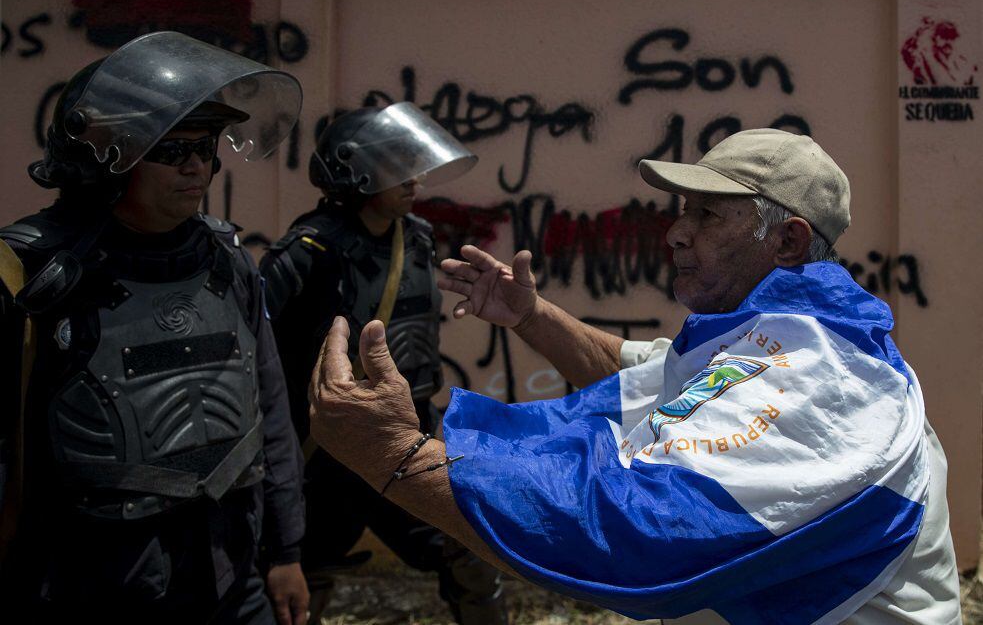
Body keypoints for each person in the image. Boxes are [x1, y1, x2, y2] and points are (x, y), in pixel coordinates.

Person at [307, 129, 962, 624]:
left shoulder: (814, 380)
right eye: (682, 210)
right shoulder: (774, 339)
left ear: (786, 242)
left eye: (706, 214)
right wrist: (531, 316)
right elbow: (649, 377)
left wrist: (393, 455)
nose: (675, 232)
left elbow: (626, 532)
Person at [0, 31, 309, 625]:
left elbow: (270, 409)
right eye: (171, 149)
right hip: (92, 586)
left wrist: (287, 550)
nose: (197, 166)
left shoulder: (227, 260)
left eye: (206, 146)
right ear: (108, 158)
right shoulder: (32, 273)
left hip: (232, 575)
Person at [260, 103, 509, 624]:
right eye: (397, 164)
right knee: (304, 575)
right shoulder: (309, 250)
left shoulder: (415, 236)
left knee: (470, 543)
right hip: (329, 449)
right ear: (355, 172)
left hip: (409, 432)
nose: (414, 178)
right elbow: (257, 348)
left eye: (413, 163)